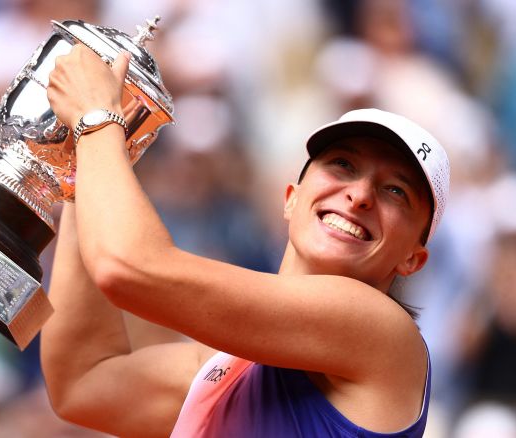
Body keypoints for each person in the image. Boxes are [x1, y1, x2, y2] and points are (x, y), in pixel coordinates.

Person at [40, 45, 450, 437]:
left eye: (395, 191)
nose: (360, 195)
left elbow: (128, 267)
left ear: (414, 259)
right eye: (343, 165)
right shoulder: (228, 368)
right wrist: (85, 169)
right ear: (291, 200)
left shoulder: (380, 332)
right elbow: (83, 382)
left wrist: (96, 119)